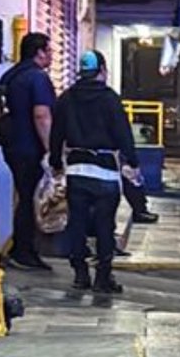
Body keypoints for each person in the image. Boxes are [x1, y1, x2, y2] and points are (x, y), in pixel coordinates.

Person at [49, 51, 137, 294]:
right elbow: (123, 133)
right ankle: (103, 277)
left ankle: (79, 274)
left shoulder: (66, 98)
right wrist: (133, 161)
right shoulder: (110, 98)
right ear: (102, 70)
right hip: (105, 171)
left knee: (77, 223)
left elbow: (56, 134)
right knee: (104, 225)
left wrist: (56, 162)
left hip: (77, 170)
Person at [0, 33, 57, 271]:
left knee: (23, 196)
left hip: (12, 146)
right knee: (30, 199)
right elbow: (41, 115)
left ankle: (19, 249)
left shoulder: (10, 75)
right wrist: (50, 150)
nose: (52, 55)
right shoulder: (37, 78)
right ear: (39, 52)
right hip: (30, 147)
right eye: (49, 51)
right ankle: (24, 251)